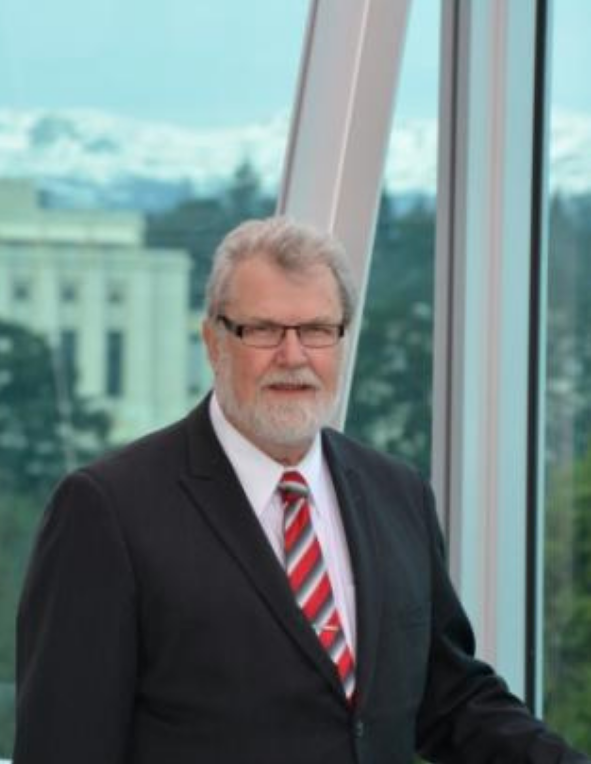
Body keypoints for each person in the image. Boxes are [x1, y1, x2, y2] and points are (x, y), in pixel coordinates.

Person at [13, 217, 589, 764]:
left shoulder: (399, 493)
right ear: (213, 341)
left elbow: (450, 698)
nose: (293, 357)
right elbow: (66, 745)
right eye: (262, 330)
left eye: (316, 330)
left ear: (341, 339)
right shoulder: (107, 509)